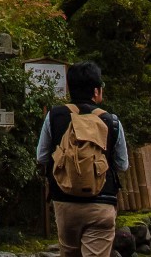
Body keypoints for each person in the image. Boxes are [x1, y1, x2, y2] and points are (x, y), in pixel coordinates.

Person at [38, 60, 129, 257]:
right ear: (96, 91)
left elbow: (42, 156)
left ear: (69, 88)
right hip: (101, 203)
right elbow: (122, 164)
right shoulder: (111, 121)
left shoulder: (54, 116)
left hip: (64, 202)